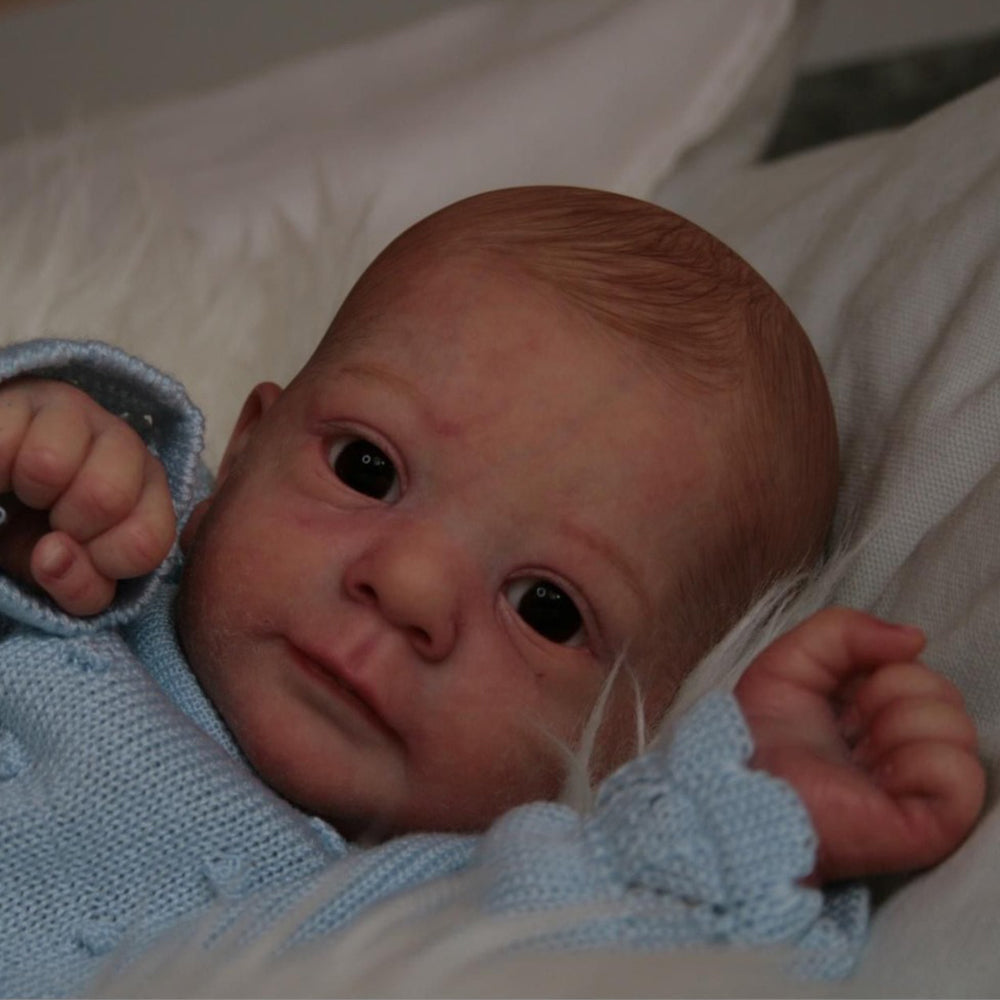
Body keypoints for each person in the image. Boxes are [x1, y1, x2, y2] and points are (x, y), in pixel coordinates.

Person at [0, 187, 983, 996]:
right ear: (248, 445)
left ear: (631, 727)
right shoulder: (89, 586)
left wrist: (769, 808)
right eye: (366, 468)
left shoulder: (446, 907)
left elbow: (658, 933)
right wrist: (41, 462)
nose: (409, 583)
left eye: (545, 607)